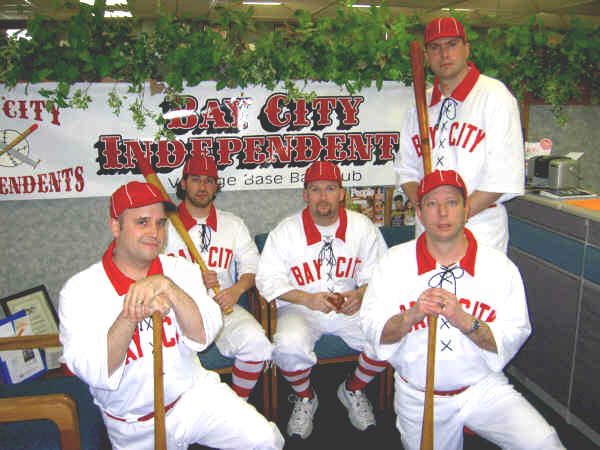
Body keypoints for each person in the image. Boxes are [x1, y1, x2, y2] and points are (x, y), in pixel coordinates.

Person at [58, 181, 284, 450]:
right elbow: (94, 370)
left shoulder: (181, 270)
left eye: (161, 223)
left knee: (266, 439)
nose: (155, 232)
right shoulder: (80, 290)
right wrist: (128, 317)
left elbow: (203, 335)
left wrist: (168, 287)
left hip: (193, 397)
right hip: (134, 424)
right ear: (115, 227)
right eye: (142, 222)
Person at [360, 170, 565, 450]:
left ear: (467, 209)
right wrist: (412, 315)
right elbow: (374, 331)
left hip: (481, 388)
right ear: (419, 213)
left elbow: (514, 334)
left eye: (452, 203)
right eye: (431, 204)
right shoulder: (393, 263)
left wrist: (464, 320)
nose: (442, 213)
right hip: (419, 395)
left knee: (544, 442)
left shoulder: (498, 267)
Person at [256, 160, 389, 439]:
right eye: (315, 190)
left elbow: (380, 272)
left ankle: (353, 388)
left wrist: (361, 294)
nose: (323, 196)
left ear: (342, 193)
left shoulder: (362, 226)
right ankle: (305, 397)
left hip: (349, 308)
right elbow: (266, 279)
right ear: (305, 195)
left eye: (330, 188)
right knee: (288, 346)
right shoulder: (286, 231)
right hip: (300, 308)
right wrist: (306, 298)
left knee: (389, 336)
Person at [395, 16, 524, 253]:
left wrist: (453, 218)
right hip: (429, 231)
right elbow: (407, 172)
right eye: (435, 47)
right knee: (427, 291)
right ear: (426, 56)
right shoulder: (419, 106)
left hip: (480, 228)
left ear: (467, 49)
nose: (444, 54)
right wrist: (430, 213)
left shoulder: (494, 96)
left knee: (477, 292)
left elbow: (502, 177)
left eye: (452, 44)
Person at [164, 154, 273, 401]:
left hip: (224, 308)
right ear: (183, 184)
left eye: (209, 181)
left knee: (257, 343)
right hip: (176, 315)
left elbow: (252, 265)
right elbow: (150, 272)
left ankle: (237, 405)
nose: (202, 187)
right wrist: (191, 282)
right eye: (195, 180)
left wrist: (236, 291)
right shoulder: (164, 226)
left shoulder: (232, 224)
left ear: (216, 185)